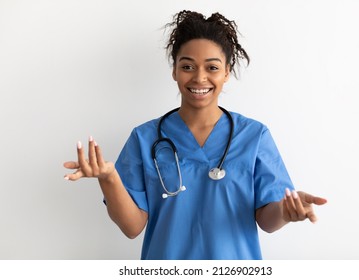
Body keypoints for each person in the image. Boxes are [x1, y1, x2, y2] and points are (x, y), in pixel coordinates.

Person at [63, 10, 327, 260]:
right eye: (188, 66)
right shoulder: (145, 138)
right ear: (175, 70)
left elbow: (268, 221)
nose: (199, 78)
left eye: (212, 67)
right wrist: (109, 178)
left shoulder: (254, 136)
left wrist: (286, 212)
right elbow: (132, 227)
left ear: (226, 71)